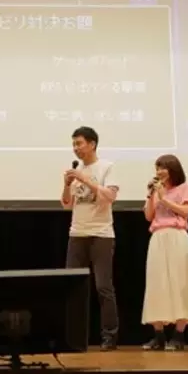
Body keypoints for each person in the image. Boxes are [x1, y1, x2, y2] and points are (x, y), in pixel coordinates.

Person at [141, 154, 188, 351]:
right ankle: (159, 335)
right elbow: (149, 216)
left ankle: (179, 335)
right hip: (158, 237)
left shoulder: (184, 188)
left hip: (177, 236)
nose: (159, 171)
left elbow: (185, 212)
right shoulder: (156, 190)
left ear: (173, 169)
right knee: (157, 284)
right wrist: (151, 195)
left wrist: (164, 198)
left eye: (163, 168)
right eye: (157, 168)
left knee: (181, 282)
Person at [61, 126, 119, 351]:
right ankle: (73, 337)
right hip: (77, 233)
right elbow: (67, 205)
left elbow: (110, 196)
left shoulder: (107, 167)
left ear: (92, 144)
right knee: (72, 286)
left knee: (103, 286)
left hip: (101, 234)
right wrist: (67, 185)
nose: (76, 148)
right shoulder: (77, 171)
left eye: (79, 143)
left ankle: (109, 336)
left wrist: (85, 180)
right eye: (73, 144)